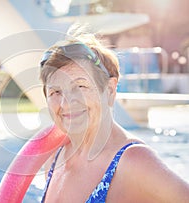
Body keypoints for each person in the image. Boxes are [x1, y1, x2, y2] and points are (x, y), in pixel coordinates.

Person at [38, 28, 189, 202]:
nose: (66, 103)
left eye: (80, 87)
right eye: (55, 91)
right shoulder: (55, 158)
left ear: (109, 90)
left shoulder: (133, 161)